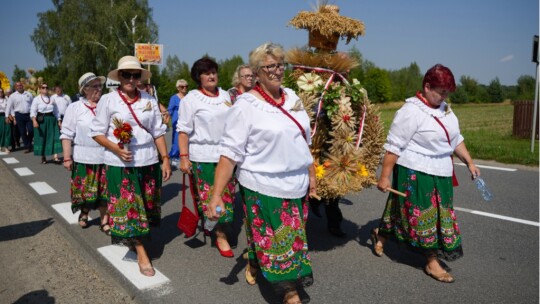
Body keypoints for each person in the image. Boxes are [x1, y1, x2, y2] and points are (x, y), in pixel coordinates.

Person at [207, 42, 317, 304]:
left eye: (280, 65)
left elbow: (304, 140)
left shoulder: (293, 98)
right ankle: (290, 292)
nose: (277, 71)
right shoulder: (245, 105)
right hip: (262, 185)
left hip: (296, 184)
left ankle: (254, 260)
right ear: (256, 72)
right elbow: (229, 154)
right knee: (280, 242)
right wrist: (216, 195)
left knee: (289, 238)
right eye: (270, 66)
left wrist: (312, 176)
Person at [372, 64, 480, 283]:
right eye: (441, 92)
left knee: (427, 212)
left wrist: (469, 162)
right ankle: (431, 262)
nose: (444, 96)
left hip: (441, 172)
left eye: (447, 93)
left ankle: (381, 233)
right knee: (422, 215)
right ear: (427, 86)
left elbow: (455, 139)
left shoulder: (445, 109)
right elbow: (394, 146)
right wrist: (384, 176)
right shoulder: (411, 111)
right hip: (415, 171)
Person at [90, 55, 172, 277]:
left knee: (144, 205)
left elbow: (158, 131)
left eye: (135, 75)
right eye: (126, 74)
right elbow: (97, 132)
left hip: (147, 160)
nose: (131, 79)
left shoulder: (149, 100)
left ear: (139, 78)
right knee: (131, 207)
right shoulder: (109, 100)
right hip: (119, 163)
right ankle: (142, 253)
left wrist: (165, 158)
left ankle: (137, 238)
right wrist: (116, 149)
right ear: (119, 77)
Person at [177, 57, 236, 258]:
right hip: (203, 155)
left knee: (227, 195)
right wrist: (184, 157)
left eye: (213, 72)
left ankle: (213, 225)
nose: (211, 76)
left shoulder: (226, 95)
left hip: (226, 154)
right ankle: (220, 235)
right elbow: (183, 131)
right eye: (206, 73)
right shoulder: (191, 99)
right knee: (211, 196)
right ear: (198, 77)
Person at [61, 72, 110, 233]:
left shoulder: (107, 104)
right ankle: (84, 212)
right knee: (85, 191)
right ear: (85, 89)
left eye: (100, 86)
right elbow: (67, 134)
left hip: (106, 156)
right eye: (95, 86)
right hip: (84, 157)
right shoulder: (75, 108)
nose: (99, 89)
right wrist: (67, 157)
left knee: (105, 191)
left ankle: (104, 220)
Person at [30, 83, 62, 164]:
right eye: (43, 88)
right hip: (42, 121)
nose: (45, 89)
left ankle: (55, 156)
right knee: (43, 138)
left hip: (52, 120)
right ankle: (43, 156)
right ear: (39, 89)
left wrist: (59, 120)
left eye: (46, 87)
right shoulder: (36, 99)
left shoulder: (52, 99)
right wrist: (34, 121)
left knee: (55, 137)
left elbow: (56, 111)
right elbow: (33, 111)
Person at [6, 82, 34, 153]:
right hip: (19, 115)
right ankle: (27, 146)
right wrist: (7, 116)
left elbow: (33, 104)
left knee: (31, 130)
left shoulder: (28, 94)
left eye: (20, 85)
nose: (19, 86)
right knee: (22, 132)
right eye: (17, 86)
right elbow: (8, 107)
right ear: (15, 87)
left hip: (29, 114)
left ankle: (29, 143)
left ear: (23, 86)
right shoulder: (12, 96)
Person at [168, 79, 188, 167]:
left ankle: (185, 157)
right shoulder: (174, 98)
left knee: (187, 140)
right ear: (178, 88)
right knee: (176, 140)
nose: (184, 88)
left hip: (187, 121)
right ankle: (174, 157)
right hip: (177, 122)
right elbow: (170, 110)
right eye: (182, 87)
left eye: (186, 86)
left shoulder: (189, 97)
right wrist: (166, 117)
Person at [0, 88, 12, 153]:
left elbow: (10, 108)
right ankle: (1, 145)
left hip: (6, 116)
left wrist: (10, 116)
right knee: (1, 131)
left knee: (8, 131)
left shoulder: (6, 99)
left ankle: (6, 147)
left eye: (1, 91)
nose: (0, 93)